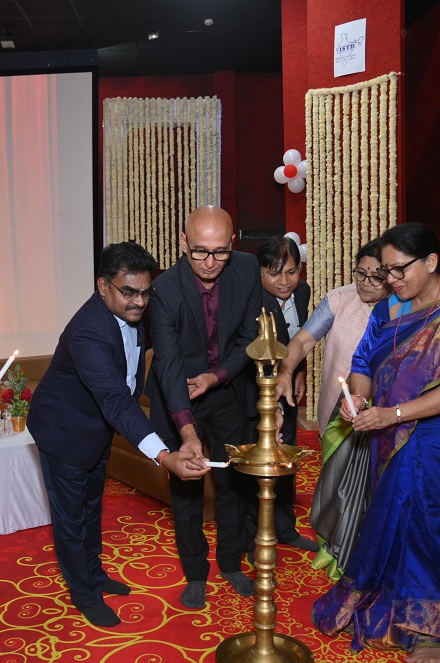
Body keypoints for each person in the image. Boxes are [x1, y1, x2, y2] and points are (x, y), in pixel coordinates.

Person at [312, 222, 440, 663]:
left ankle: (431, 626)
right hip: (385, 429)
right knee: (390, 512)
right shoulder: (390, 306)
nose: (392, 280)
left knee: (429, 521)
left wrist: (393, 414)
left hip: (439, 437)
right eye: (386, 271)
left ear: (431, 262)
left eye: (400, 270)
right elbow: (364, 360)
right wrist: (360, 398)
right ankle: (390, 595)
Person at [28, 241, 210, 628]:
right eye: (129, 292)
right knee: (71, 518)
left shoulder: (131, 313)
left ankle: (93, 574)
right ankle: (84, 594)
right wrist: (164, 455)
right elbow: (115, 400)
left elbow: (127, 385)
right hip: (64, 432)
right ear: (103, 286)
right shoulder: (88, 332)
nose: (139, 302)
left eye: (145, 292)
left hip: (97, 429)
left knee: (92, 507)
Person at [146, 205, 261, 609]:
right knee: (186, 487)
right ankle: (195, 573)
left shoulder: (247, 269)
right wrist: (187, 431)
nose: (210, 262)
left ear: (232, 244)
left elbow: (249, 338)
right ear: (183, 243)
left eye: (220, 251)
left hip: (228, 388)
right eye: (199, 251)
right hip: (179, 394)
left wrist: (216, 377)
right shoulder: (164, 289)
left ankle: (231, 562)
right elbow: (168, 363)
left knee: (233, 481)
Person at [275, 238, 390, 578]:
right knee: (336, 486)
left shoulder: (402, 307)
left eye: (376, 277)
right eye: (361, 274)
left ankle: (364, 554)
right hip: (337, 412)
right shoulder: (339, 299)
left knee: (375, 488)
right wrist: (286, 368)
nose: (367, 283)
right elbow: (303, 340)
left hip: (383, 415)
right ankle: (334, 546)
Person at [247, 235, 319, 554]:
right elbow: (251, 354)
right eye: (274, 273)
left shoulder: (302, 292)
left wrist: (300, 370)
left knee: (287, 453)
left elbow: (299, 338)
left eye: (291, 272)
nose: (284, 281)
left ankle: (285, 528)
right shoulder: (251, 300)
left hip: (287, 385)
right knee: (259, 461)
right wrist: (270, 404)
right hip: (256, 388)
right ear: (260, 272)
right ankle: (253, 534)